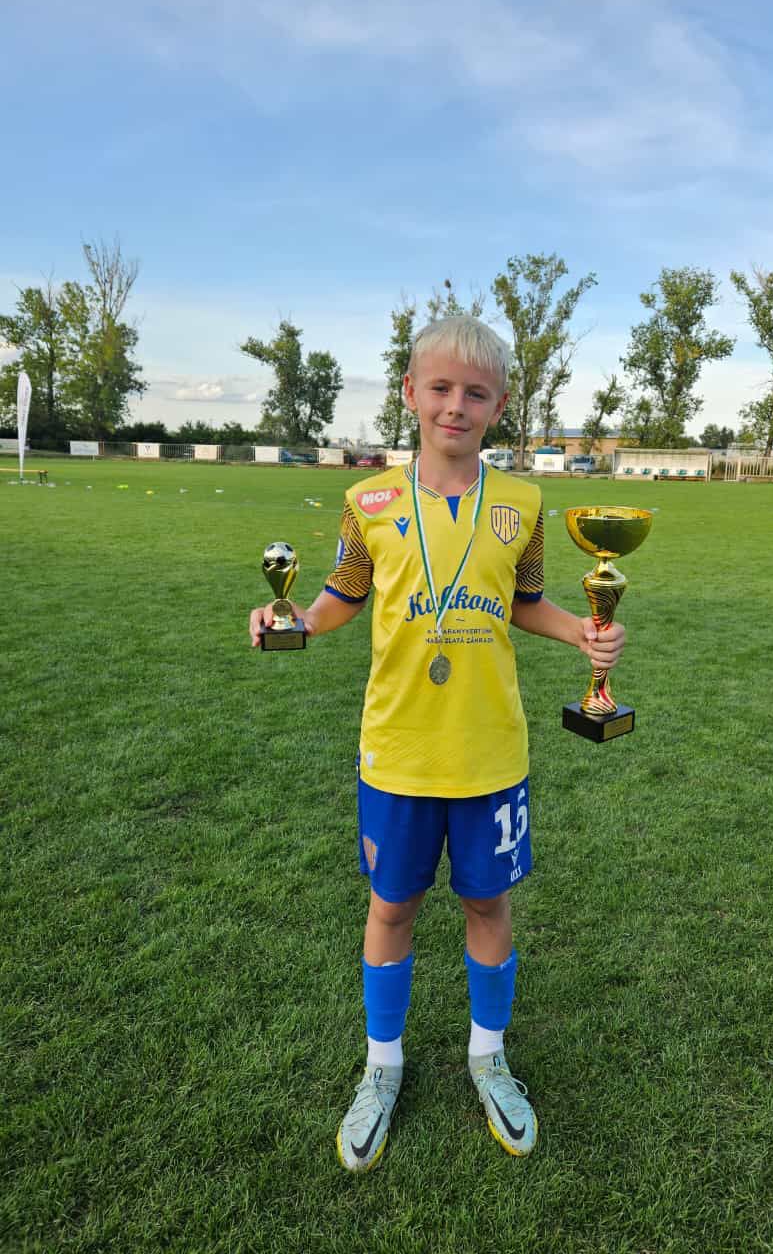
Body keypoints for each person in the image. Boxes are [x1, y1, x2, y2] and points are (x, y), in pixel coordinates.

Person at [249, 316, 625, 1171]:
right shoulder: (368, 501)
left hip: (490, 752)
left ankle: (488, 1057)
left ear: (499, 406)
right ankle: (382, 1066)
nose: (456, 405)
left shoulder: (523, 504)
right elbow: (343, 595)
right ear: (411, 392)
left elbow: (525, 601)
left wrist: (582, 632)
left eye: (476, 393)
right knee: (392, 907)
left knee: (488, 905)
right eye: (441, 388)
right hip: (399, 750)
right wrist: (289, 619)